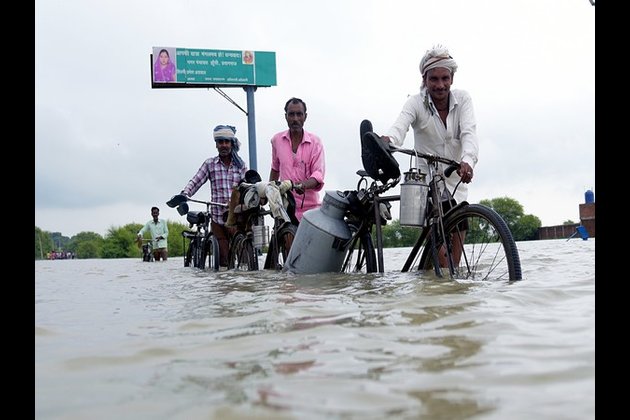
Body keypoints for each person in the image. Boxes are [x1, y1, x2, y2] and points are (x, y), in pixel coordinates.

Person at [380, 44, 479, 266]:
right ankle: (436, 275)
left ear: (452, 79)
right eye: (434, 79)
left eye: (445, 78)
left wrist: (468, 160)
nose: (440, 85)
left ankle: (446, 281)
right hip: (426, 182)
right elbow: (400, 127)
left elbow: (469, 133)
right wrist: (388, 141)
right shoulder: (416, 102)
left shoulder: (463, 99)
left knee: (459, 230)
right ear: (425, 79)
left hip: (455, 177)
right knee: (438, 244)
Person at [180, 124, 248, 268]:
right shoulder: (210, 164)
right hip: (217, 217)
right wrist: (185, 193)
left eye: (226, 142)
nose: (223, 145)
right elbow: (196, 180)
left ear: (231, 143)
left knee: (244, 258)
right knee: (223, 260)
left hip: (235, 217)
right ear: (216, 144)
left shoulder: (240, 165)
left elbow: (247, 186)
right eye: (220, 142)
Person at [269, 97, 326, 223]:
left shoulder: (315, 143)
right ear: (286, 116)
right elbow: (275, 168)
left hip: (311, 210)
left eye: (299, 114)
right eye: (291, 114)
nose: (295, 119)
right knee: (286, 240)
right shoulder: (276, 140)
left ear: (305, 117)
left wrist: (303, 185)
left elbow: (318, 174)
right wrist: (269, 192)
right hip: (285, 207)